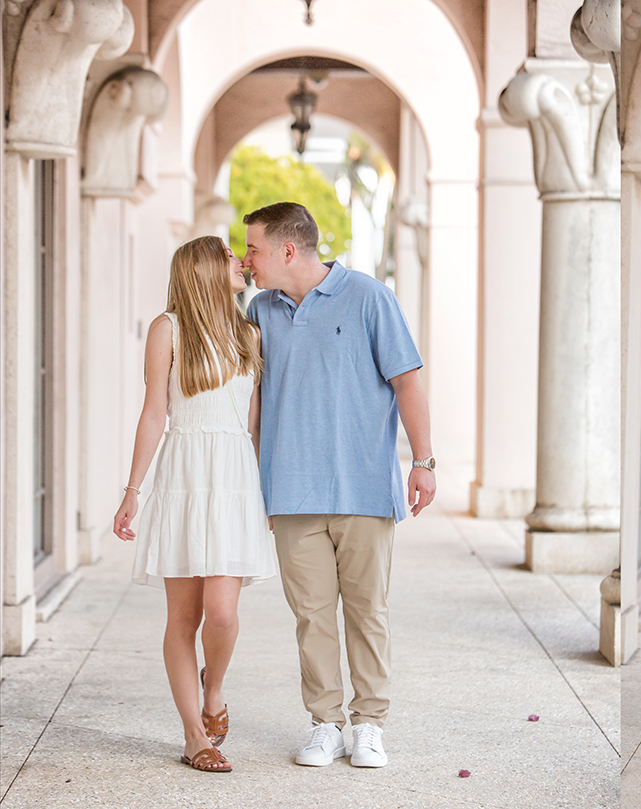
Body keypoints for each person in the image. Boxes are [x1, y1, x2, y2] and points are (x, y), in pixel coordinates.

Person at [241, 202, 435, 769]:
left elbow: (407, 380)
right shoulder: (260, 310)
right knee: (312, 616)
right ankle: (324, 722)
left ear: (287, 250)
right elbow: (248, 400)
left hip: (364, 486)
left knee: (367, 611)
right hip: (292, 489)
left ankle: (369, 723)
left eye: (253, 249)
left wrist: (424, 461)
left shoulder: (370, 297)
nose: (247, 260)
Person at [114, 236, 277, 773]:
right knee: (183, 618)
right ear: (205, 270)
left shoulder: (250, 332)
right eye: (231, 256)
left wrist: (268, 493)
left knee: (224, 614)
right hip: (184, 474)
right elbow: (154, 413)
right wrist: (132, 491)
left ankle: (215, 690)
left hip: (233, 477)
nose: (241, 263)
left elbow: (255, 426)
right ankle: (193, 737)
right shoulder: (169, 329)